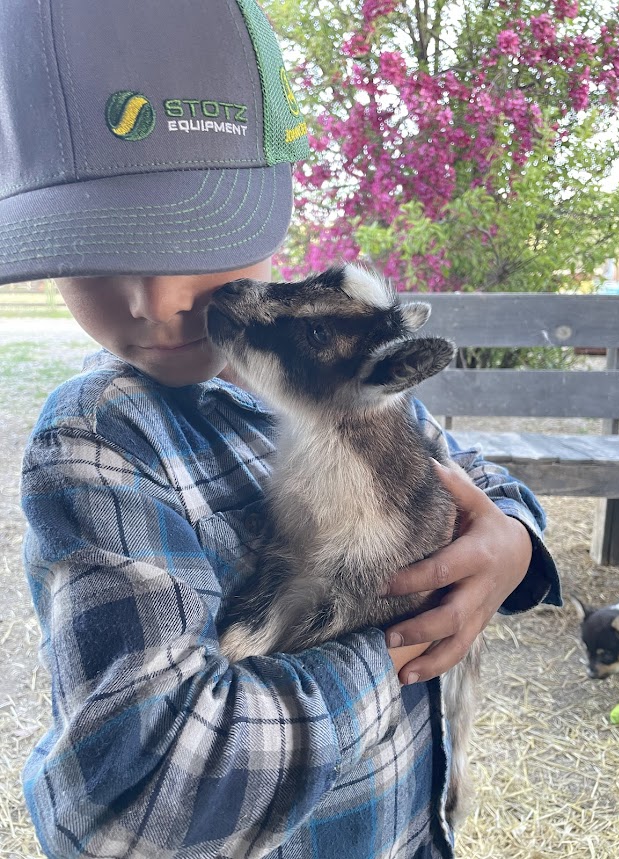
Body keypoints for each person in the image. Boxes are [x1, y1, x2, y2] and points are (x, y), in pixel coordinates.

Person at [1, 1, 561, 857]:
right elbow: (134, 807)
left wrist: (512, 542)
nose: (157, 303)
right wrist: (388, 650)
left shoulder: (340, 376)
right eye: (90, 250)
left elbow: (471, 478)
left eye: (195, 227)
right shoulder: (101, 441)